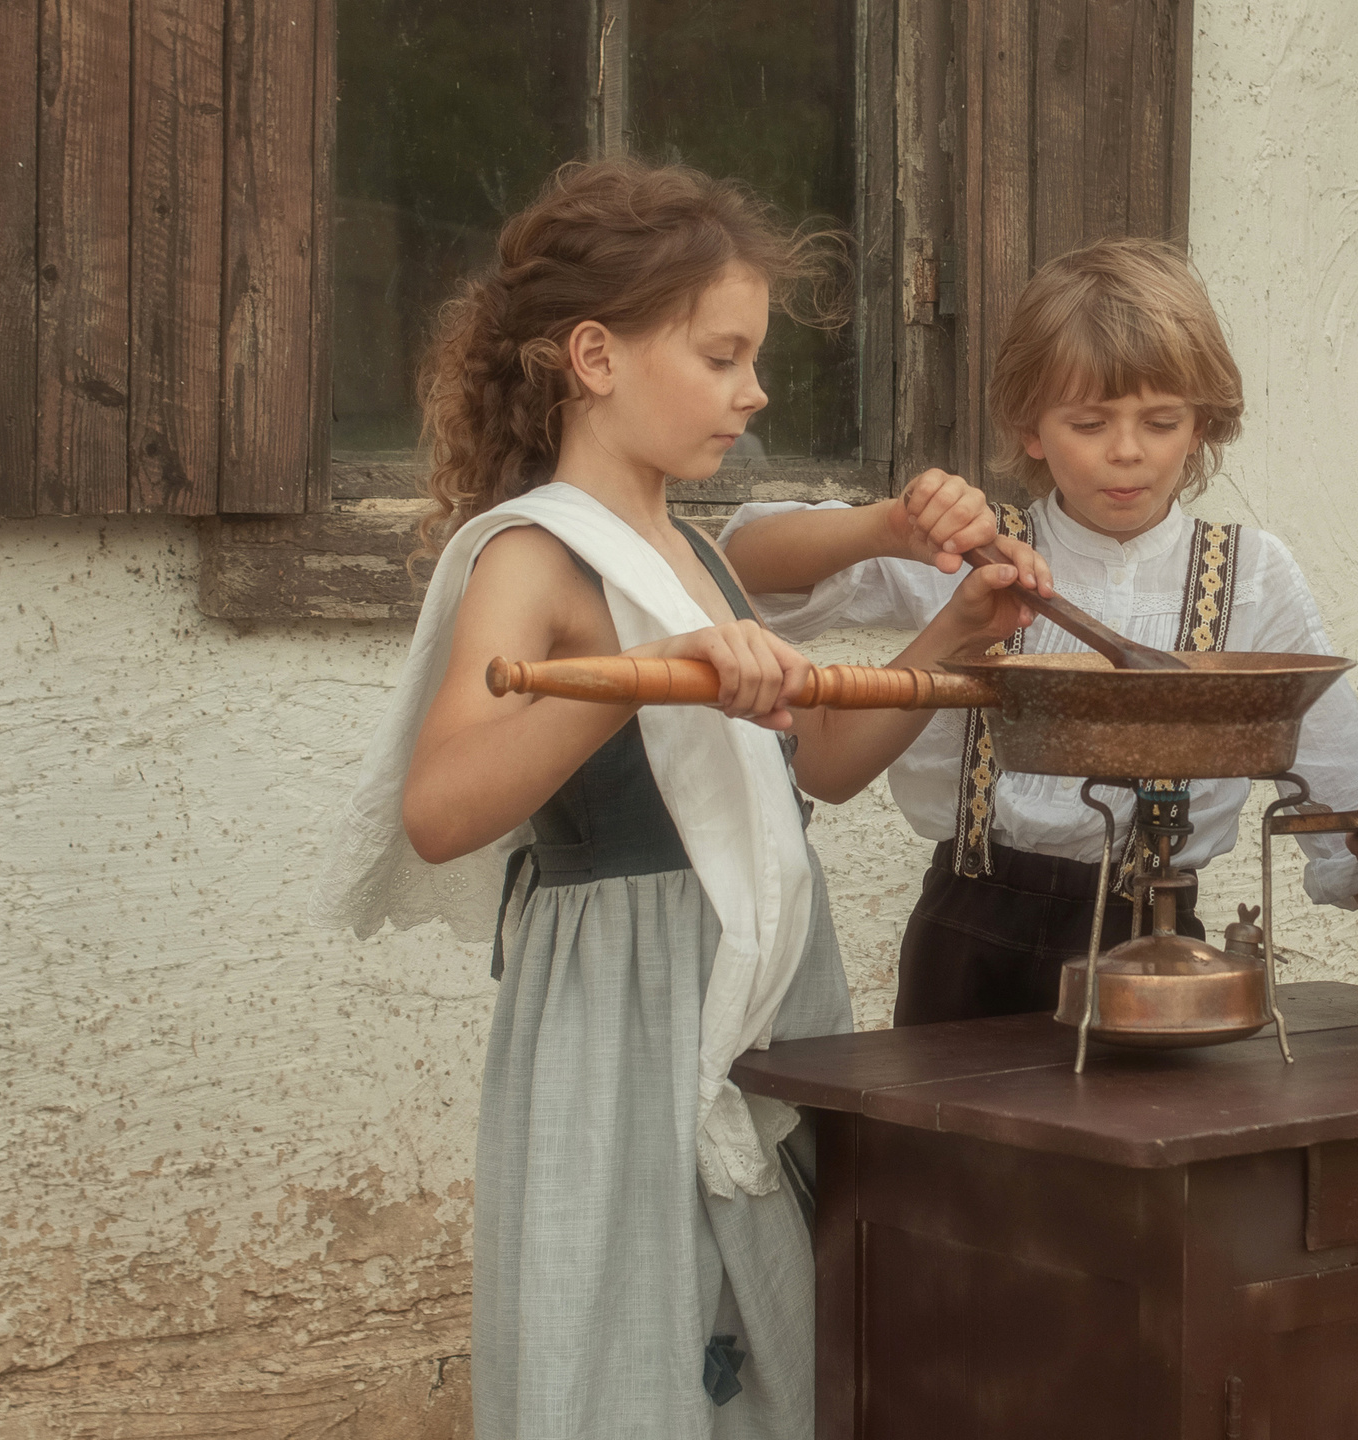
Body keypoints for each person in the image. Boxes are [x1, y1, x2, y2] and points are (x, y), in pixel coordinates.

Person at [312, 159, 1041, 1439]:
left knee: (762, 1352)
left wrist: (961, 631)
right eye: (721, 357)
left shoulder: (693, 548)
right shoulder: (532, 551)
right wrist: (648, 678)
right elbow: (438, 808)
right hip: (627, 998)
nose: (753, 392)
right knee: (626, 1342)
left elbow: (810, 766)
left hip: (756, 979)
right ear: (594, 355)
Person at [723, 236, 1358, 1027]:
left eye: (1162, 421)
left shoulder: (1250, 573)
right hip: (967, 932)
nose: (1128, 451)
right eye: (1090, 422)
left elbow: (1341, 788)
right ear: (1032, 428)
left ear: (1201, 426)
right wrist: (891, 523)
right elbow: (742, 563)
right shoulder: (973, 551)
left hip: (1159, 941)